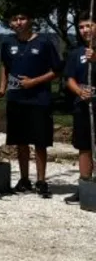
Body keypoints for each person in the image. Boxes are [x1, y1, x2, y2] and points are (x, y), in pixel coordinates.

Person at [0, 11, 61, 198]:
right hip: (16, 99)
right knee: (21, 141)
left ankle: (41, 180)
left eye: (22, 18)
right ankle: (24, 179)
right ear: (10, 23)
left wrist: (34, 82)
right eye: (15, 19)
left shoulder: (44, 42)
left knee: (40, 141)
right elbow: (5, 67)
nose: (18, 22)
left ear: (31, 20)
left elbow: (56, 70)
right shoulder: (8, 43)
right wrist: (2, 88)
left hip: (39, 99)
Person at [63, 13, 95, 205]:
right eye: (81, 27)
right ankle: (84, 186)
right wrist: (79, 91)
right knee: (84, 146)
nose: (85, 30)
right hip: (83, 105)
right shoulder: (76, 53)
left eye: (89, 25)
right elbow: (69, 78)